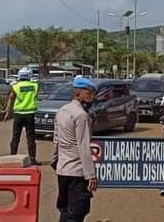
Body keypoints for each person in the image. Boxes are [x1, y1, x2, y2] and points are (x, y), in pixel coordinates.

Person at [53, 78, 98, 222]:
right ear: (79, 93)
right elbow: (83, 147)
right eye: (89, 93)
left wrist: (56, 162)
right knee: (78, 211)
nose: (92, 96)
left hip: (63, 170)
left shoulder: (62, 111)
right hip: (77, 172)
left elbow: (56, 141)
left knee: (65, 210)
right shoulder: (81, 115)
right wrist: (90, 175)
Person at [4, 70, 40, 165]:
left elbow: (11, 98)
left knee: (16, 137)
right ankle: (32, 159)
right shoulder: (35, 85)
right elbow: (36, 96)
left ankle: (12, 158)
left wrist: (7, 112)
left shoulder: (15, 86)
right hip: (30, 114)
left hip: (18, 114)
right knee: (31, 137)